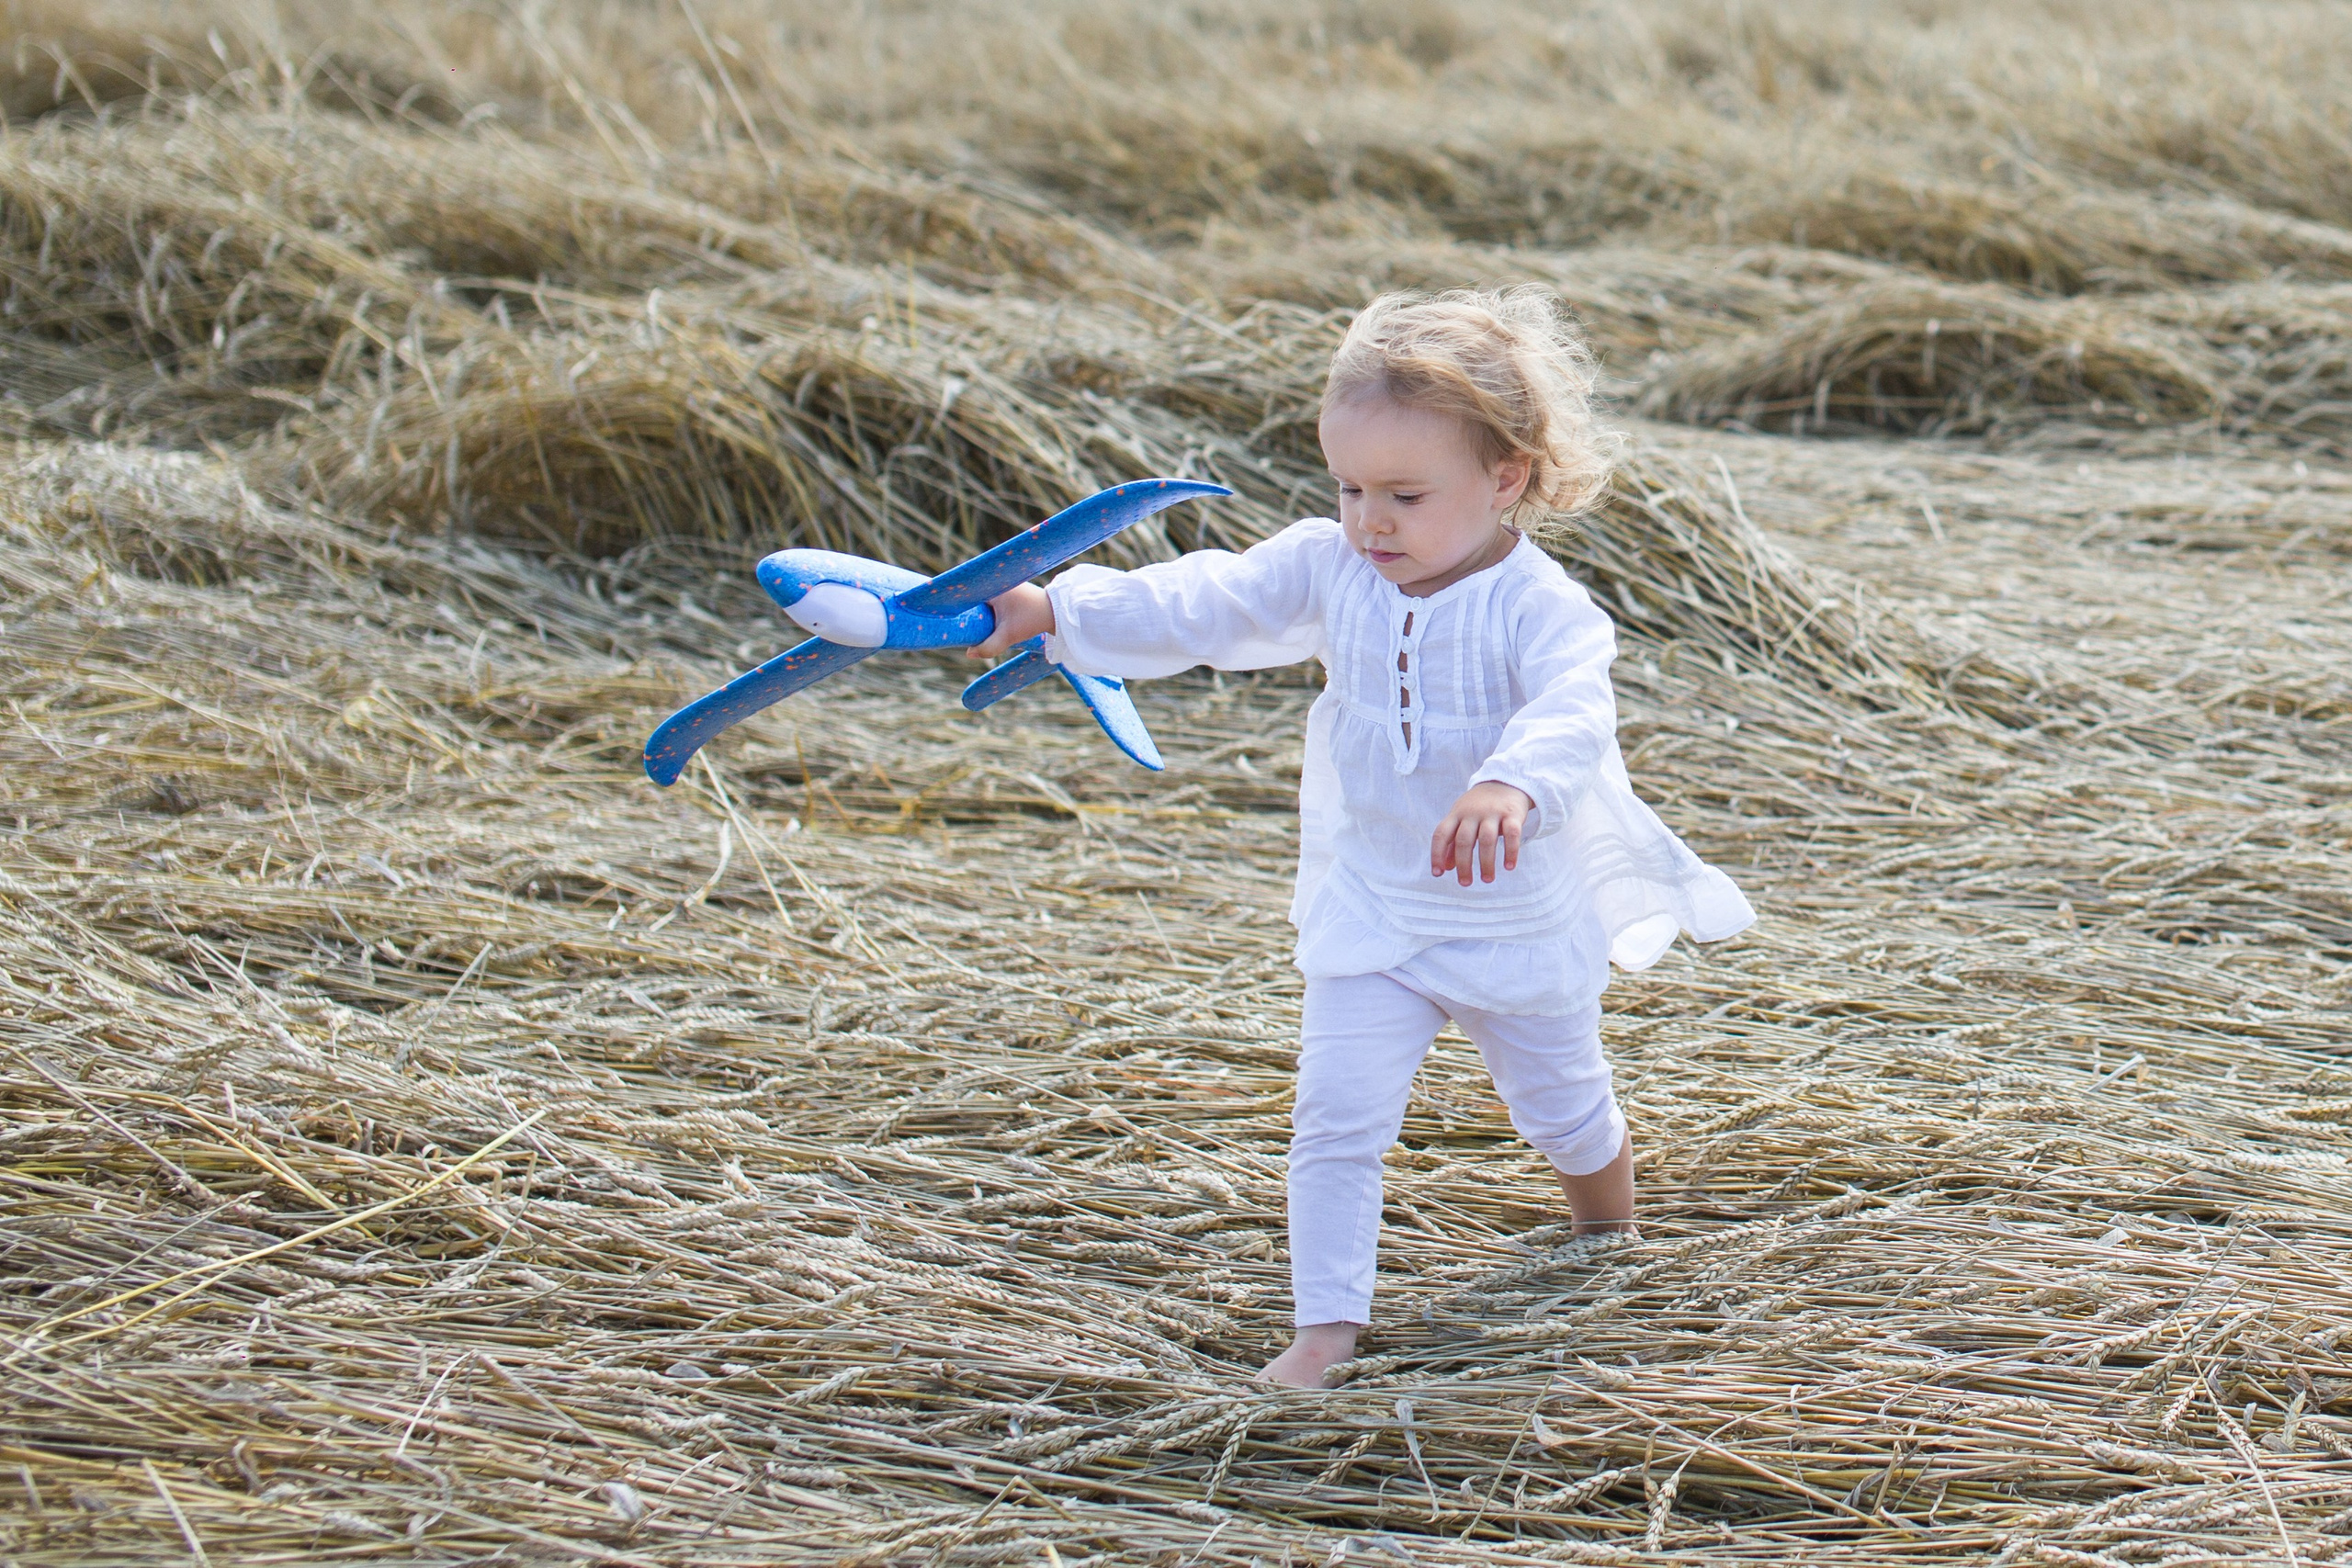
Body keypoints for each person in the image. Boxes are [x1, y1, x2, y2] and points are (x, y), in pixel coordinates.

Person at [973, 288, 1754, 1388]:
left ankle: (1605, 1229)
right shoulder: (1331, 563)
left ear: (1506, 478)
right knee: (1334, 1121)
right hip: (1379, 907)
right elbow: (1209, 602)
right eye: (1347, 487)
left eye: (1402, 494)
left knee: (1563, 1113)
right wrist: (1062, 614)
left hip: (1511, 920)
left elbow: (1574, 711)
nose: (1367, 521)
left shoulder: (1544, 609)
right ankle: (1325, 1330)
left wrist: (1508, 784)